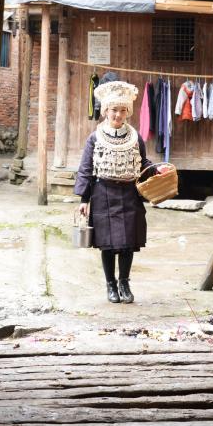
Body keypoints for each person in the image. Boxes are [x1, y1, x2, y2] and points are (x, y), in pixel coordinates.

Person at [74, 81, 168, 304]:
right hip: (103, 193)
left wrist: (157, 169)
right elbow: (86, 168)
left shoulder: (135, 137)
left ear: (128, 112)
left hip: (129, 194)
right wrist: (84, 199)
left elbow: (143, 163)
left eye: (123, 110)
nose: (118, 114)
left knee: (127, 243)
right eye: (114, 110)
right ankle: (110, 285)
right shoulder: (95, 138)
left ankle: (124, 283)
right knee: (107, 244)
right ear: (106, 111)